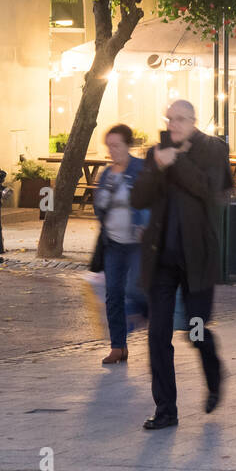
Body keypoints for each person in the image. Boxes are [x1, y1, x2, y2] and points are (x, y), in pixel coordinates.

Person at [130, 100, 233, 431]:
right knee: (158, 335)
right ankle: (165, 409)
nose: (172, 124)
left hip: (197, 258)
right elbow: (138, 199)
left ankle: (214, 377)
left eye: (180, 119)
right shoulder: (157, 152)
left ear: (193, 121)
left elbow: (209, 190)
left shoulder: (214, 149)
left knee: (195, 330)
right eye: (169, 118)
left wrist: (178, 162)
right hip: (161, 259)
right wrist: (157, 166)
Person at [92, 124, 150, 365]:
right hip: (113, 242)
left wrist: (144, 222)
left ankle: (147, 317)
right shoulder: (106, 174)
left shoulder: (140, 169)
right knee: (113, 294)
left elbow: (151, 199)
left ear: (128, 145)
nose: (112, 150)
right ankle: (118, 347)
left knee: (136, 291)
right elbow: (99, 207)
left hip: (137, 243)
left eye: (117, 145)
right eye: (109, 146)